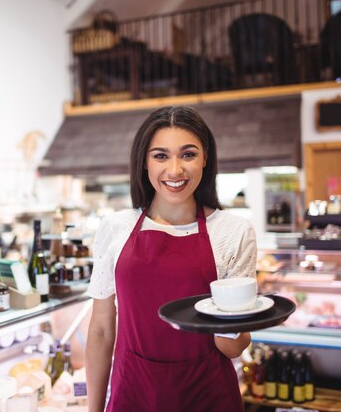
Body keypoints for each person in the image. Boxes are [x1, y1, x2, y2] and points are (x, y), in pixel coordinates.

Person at [85, 106, 257, 412]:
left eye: (188, 154)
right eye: (160, 156)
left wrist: (238, 321)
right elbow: (100, 329)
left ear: (205, 157)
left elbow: (231, 347)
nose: (175, 170)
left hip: (208, 396)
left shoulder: (233, 231)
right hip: (132, 394)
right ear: (144, 162)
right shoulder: (115, 227)